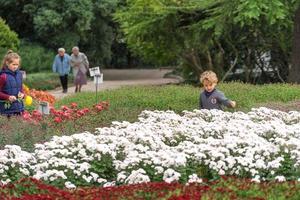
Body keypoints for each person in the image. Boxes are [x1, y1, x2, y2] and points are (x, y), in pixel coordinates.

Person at [0, 50, 25, 116]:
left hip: (19, 109)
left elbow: (21, 89)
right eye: (13, 64)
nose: (15, 66)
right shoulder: (3, 76)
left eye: (17, 64)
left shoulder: (19, 74)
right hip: (6, 111)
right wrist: (8, 97)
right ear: (7, 63)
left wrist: (22, 95)